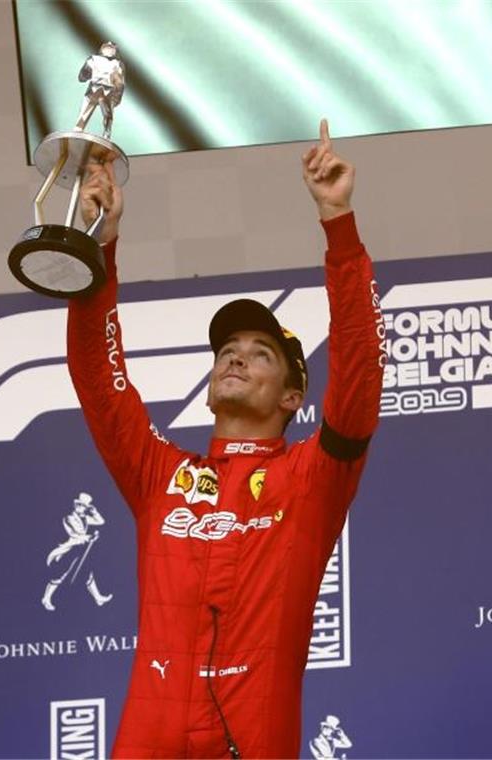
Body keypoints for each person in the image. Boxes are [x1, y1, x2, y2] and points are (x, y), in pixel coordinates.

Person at [66, 119, 384, 757]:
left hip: (252, 735)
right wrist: (103, 245)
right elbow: (101, 384)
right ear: (209, 387)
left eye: (260, 353)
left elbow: (357, 379)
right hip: (147, 738)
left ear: (293, 396)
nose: (235, 359)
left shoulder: (311, 478)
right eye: (227, 351)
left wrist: (338, 225)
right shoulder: (160, 475)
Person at [42, 491, 114, 611]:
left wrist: (94, 511)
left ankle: (98, 598)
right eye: (78, 504)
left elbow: (101, 522)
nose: (80, 507)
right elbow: (77, 534)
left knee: (88, 573)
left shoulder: (85, 518)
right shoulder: (69, 517)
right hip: (69, 549)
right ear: (75, 505)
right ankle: (46, 598)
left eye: (83, 506)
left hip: (80, 549)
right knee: (60, 573)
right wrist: (90, 537)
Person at [76, 41, 125, 137]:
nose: (109, 49)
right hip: (95, 88)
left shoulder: (117, 64)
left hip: (107, 91)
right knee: (86, 110)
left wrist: (117, 97)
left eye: (111, 48)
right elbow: (84, 74)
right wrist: (84, 76)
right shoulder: (94, 59)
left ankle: (106, 134)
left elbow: (120, 83)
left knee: (107, 114)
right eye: (108, 47)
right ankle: (79, 129)